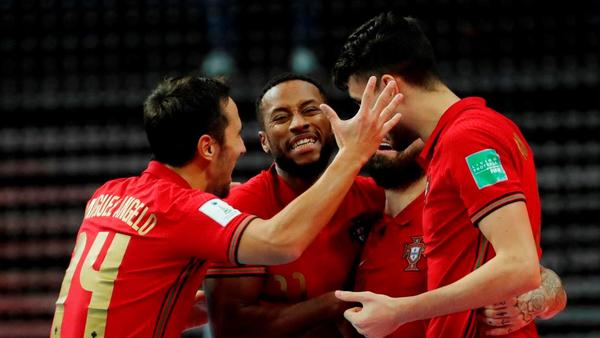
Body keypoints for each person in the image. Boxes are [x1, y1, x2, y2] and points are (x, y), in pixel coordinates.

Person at [49, 75, 403, 338]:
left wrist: (178, 300)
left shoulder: (108, 195)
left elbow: (113, 296)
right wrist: (354, 152)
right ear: (207, 148)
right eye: (235, 135)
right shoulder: (184, 210)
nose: (241, 149)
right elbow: (283, 242)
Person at [331, 12, 558, 337]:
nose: (362, 119)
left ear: (388, 86)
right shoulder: (470, 133)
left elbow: (520, 265)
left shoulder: (468, 138)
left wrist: (400, 311)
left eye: (361, 103)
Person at [202, 74, 384, 338]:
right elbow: (230, 328)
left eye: (310, 110)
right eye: (281, 117)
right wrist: (332, 305)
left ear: (333, 124)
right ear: (264, 142)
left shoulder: (376, 199)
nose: (299, 124)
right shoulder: (242, 207)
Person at [351, 127, 566, 337]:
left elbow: (538, 276)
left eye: (401, 125)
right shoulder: (357, 204)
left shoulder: (456, 208)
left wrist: (538, 298)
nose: (388, 131)